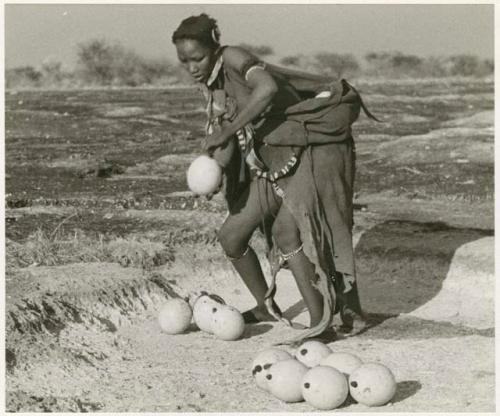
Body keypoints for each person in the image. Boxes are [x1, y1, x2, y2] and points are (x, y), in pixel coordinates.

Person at [172, 14, 373, 344]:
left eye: (198, 58)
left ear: (214, 48)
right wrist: (214, 172)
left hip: (311, 152)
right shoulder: (211, 85)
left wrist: (228, 129)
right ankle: (266, 306)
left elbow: (267, 88)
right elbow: (230, 139)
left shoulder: (233, 57)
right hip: (275, 161)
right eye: (185, 61)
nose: (192, 67)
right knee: (231, 236)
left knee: (285, 231)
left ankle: (320, 321)